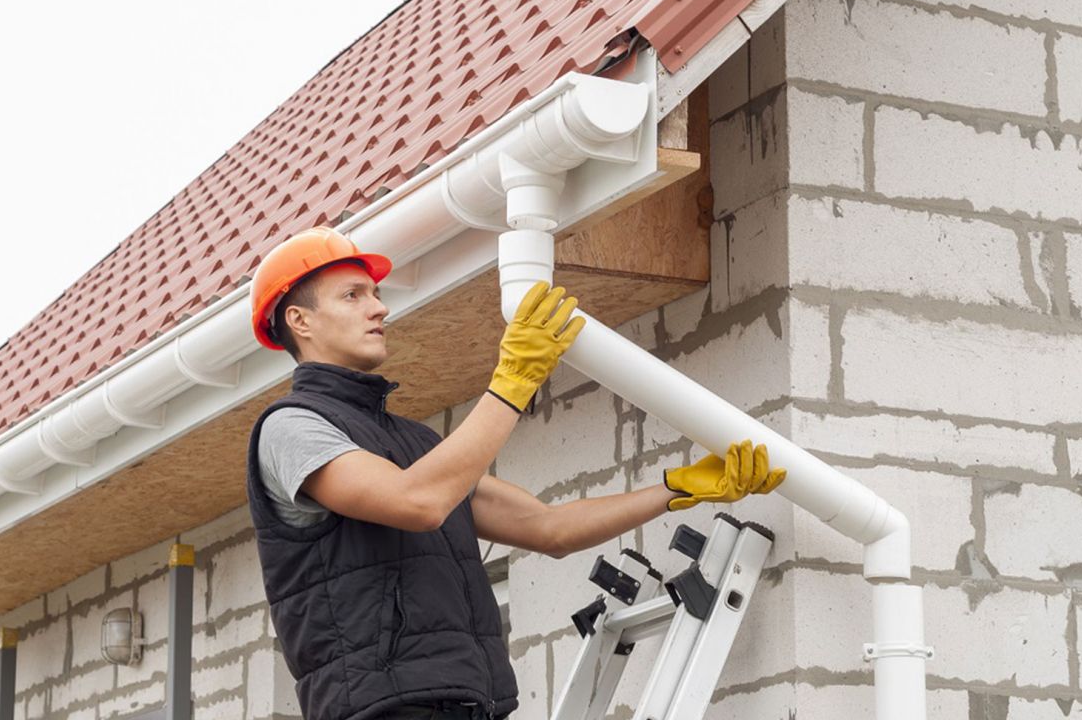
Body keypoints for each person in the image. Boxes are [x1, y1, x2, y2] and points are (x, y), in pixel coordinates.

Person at [245, 227, 786, 720]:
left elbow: (548, 529)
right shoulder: (292, 429)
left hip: (470, 705)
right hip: (385, 710)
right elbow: (418, 504)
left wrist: (676, 488)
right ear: (300, 320)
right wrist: (513, 382)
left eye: (376, 293)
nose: (379, 308)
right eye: (353, 295)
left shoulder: (416, 444)